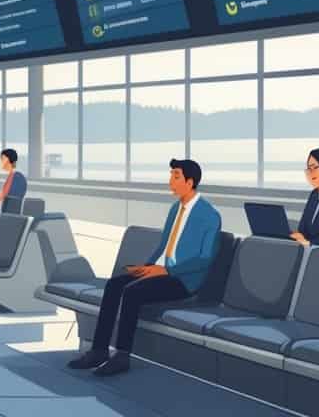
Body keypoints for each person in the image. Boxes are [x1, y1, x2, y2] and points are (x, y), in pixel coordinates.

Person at [67, 159, 220, 377]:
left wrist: (166, 271)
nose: (171, 180)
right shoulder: (176, 208)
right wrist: (147, 267)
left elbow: (204, 259)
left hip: (184, 281)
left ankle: (122, 356)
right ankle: (99, 350)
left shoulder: (210, 216)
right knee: (114, 285)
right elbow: (164, 245)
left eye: (176, 176)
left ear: (190, 181)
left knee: (132, 292)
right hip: (161, 271)